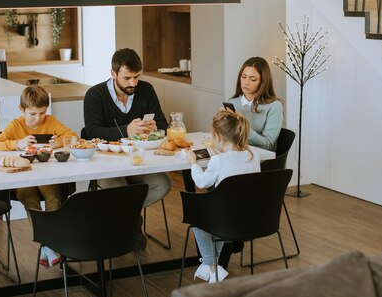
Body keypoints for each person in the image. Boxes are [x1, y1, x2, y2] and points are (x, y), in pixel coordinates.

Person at [0, 85, 78, 268]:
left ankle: (48, 245)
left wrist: (60, 141)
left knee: (54, 197)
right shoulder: (16, 125)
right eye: (32, 114)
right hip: (23, 178)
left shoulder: (51, 121)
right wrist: (17, 143)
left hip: (46, 176)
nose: (38, 118)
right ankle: (49, 244)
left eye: (42, 113)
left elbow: (73, 137)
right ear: (22, 110)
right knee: (30, 200)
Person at [83, 48, 170, 207]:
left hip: (140, 160)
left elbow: (164, 125)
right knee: (120, 190)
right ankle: (130, 224)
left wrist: (155, 127)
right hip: (105, 162)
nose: (133, 83)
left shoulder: (146, 90)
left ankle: (126, 219)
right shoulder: (95, 95)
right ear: (113, 73)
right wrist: (127, 130)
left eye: (137, 77)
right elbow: (92, 132)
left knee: (162, 184)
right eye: (127, 78)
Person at [185, 109, 261, 283]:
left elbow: (202, 183)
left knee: (198, 221)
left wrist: (193, 163)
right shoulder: (253, 155)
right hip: (251, 217)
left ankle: (212, 267)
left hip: (225, 221)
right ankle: (215, 265)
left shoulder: (218, 161)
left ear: (218, 137)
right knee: (214, 217)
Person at [227, 57, 283, 151]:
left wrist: (244, 126)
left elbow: (268, 144)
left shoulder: (274, 106)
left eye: (252, 79)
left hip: (258, 159)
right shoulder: (231, 103)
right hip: (234, 155)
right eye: (244, 77)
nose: (246, 82)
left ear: (263, 82)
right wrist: (220, 122)